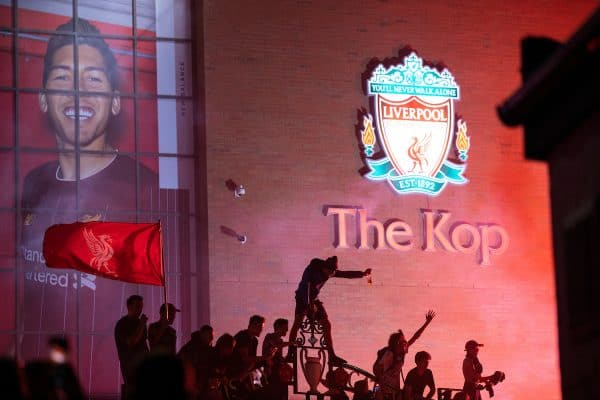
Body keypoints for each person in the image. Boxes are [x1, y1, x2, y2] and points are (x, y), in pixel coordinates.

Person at [20, 17, 158, 360]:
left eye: (93, 79)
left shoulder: (143, 186)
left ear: (114, 101)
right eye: (63, 78)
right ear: (43, 98)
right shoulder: (32, 183)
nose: (77, 91)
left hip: (110, 378)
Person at [287, 256, 372, 365]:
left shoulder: (330, 271)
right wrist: (309, 305)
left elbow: (345, 274)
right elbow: (307, 288)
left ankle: (332, 356)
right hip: (302, 298)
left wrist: (362, 274)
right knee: (298, 322)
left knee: (326, 324)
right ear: (324, 268)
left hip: (314, 299)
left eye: (332, 272)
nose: (330, 275)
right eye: (329, 272)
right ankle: (290, 354)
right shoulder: (312, 270)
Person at [373, 310, 435, 400]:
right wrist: (377, 393)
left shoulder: (402, 353)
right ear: (397, 343)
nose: (405, 342)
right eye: (403, 341)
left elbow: (415, 337)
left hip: (394, 392)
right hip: (385, 393)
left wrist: (427, 323)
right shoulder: (389, 355)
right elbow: (378, 371)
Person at [114, 295, 149, 399]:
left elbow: (143, 345)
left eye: (141, 306)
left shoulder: (139, 323)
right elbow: (132, 342)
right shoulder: (122, 324)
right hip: (131, 370)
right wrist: (142, 324)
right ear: (129, 307)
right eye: (138, 306)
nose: (140, 309)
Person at [178, 325, 214, 394]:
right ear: (202, 334)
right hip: (192, 386)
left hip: (201, 386)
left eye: (211, 335)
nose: (212, 338)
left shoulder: (208, 350)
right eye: (209, 335)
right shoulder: (190, 349)